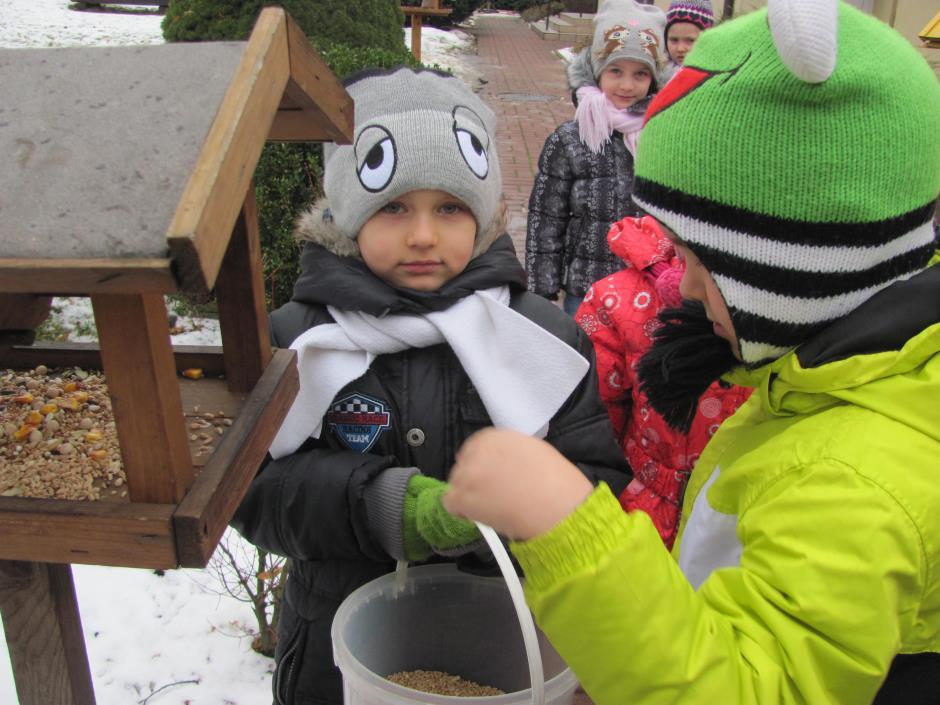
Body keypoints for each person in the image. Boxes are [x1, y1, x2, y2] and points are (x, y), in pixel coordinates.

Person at [444, 1, 940, 703]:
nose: (689, 291)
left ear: (794, 264)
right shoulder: (832, 377)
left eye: (703, 263)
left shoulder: (854, 480)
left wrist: (570, 532)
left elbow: (745, 688)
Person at [231, 66, 630, 705]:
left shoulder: (540, 336)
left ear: (484, 210)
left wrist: (523, 509)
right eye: (392, 207)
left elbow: (597, 476)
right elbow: (251, 493)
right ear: (346, 211)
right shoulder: (298, 339)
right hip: (336, 658)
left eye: (449, 208)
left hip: (501, 645)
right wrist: (383, 505)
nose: (422, 235)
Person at [575, 214, 751, 548]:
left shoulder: (788, 313)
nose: (690, 288)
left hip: (741, 525)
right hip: (638, 515)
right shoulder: (618, 299)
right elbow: (592, 425)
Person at [525, 0, 665, 316]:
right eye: (616, 70)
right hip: (586, 291)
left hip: (647, 293)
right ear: (596, 71)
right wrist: (541, 292)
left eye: (640, 73)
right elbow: (547, 217)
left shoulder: (663, 136)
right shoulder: (570, 139)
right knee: (585, 365)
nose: (627, 85)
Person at [661, 0, 715, 83]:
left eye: (690, 40)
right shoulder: (656, 73)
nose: (680, 49)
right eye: (674, 40)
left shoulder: (713, 77)